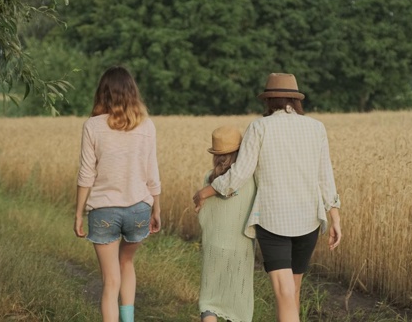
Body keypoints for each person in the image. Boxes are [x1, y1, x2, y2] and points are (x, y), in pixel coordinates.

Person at [193, 73, 342, 322]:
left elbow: (239, 174)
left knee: (283, 292)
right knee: (292, 291)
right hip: (309, 222)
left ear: (269, 100)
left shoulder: (259, 127)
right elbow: (325, 175)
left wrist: (204, 192)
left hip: (274, 222)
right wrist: (334, 216)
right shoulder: (316, 128)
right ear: (294, 100)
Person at [74, 66, 161, 322]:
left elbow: (86, 174)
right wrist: (157, 208)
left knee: (110, 282)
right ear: (132, 93)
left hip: (104, 211)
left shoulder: (92, 126)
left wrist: (78, 213)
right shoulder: (147, 126)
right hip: (139, 209)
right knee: (127, 264)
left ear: (103, 93)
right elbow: (152, 172)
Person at [196, 126, 257, 322]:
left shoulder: (209, 179)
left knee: (209, 300)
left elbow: (204, 214)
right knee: (238, 302)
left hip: (214, 244)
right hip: (241, 247)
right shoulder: (250, 178)